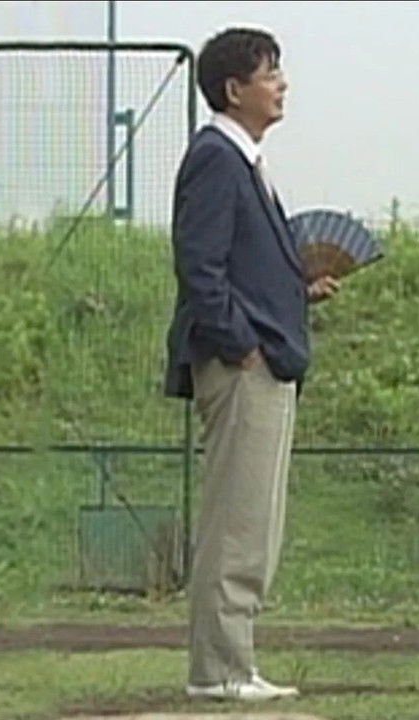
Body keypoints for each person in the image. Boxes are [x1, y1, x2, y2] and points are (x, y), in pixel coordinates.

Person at [162, 25, 340, 702]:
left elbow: (238, 264)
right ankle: (220, 670)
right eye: (270, 73)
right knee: (237, 521)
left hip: (265, 359)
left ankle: (234, 663)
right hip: (243, 365)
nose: (282, 84)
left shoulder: (245, 164)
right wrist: (241, 344)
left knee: (255, 519)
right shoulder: (217, 158)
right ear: (235, 89)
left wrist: (295, 291)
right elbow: (200, 265)